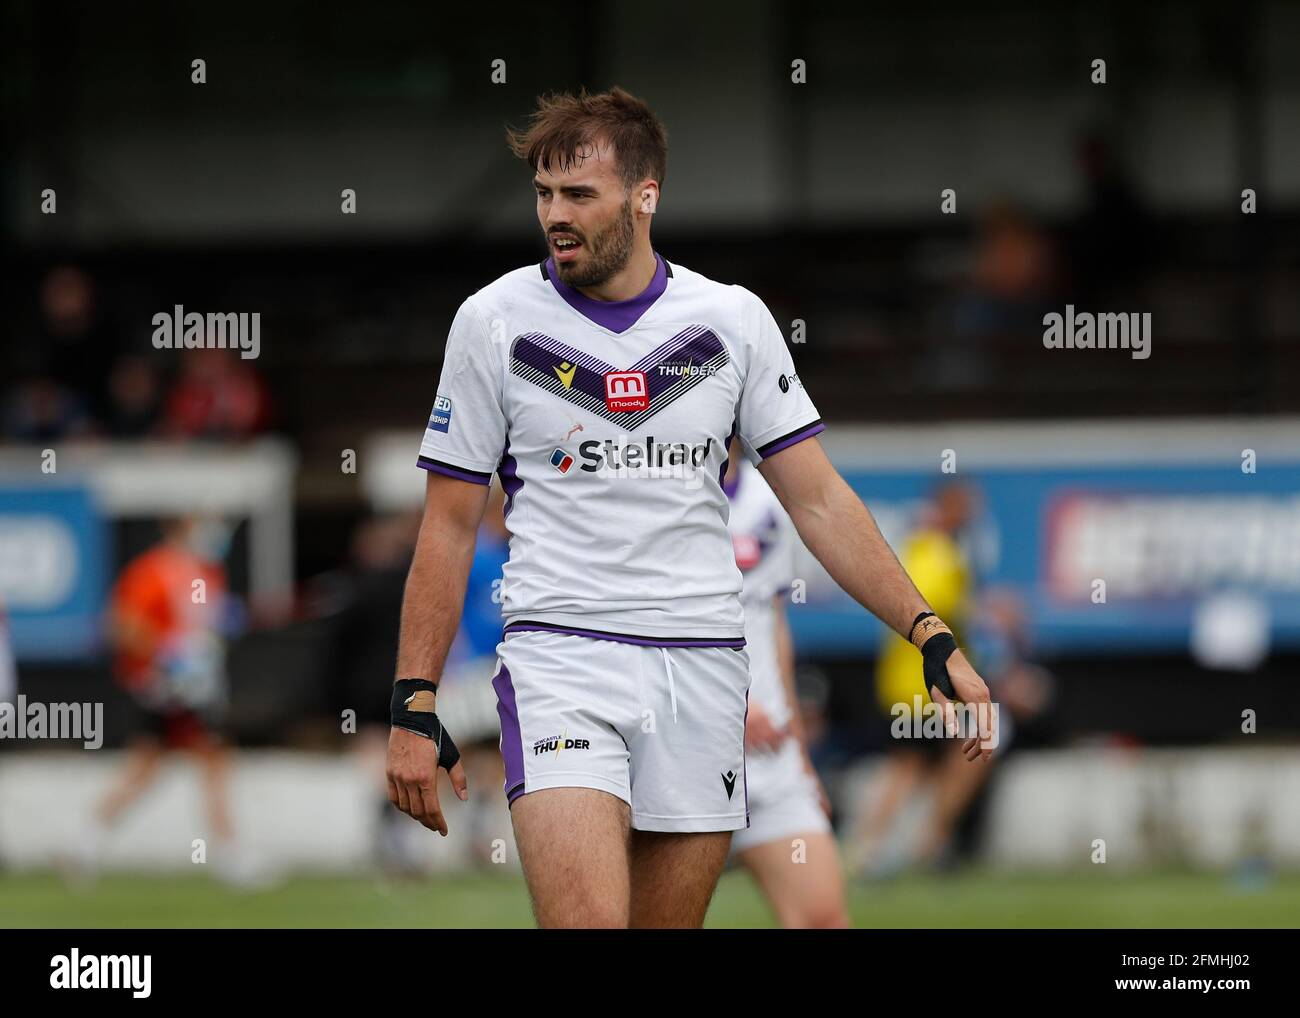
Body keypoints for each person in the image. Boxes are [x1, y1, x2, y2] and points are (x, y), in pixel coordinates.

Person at [385, 86, 993, 929]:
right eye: (544, 194)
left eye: (579, 194)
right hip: (561, 657)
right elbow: (449, 526)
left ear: (646, 196)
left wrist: (928, 632)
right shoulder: (491, 322)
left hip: (702, 667)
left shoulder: (732, 320)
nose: (555, 215)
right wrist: (413, 701)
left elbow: (819, 500)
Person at [82, 516, 260, 884]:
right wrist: (167, 650)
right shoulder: (151, 572)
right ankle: (230, 854)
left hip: (198, 687)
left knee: (150, 767)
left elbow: (207, 625)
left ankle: (86, 840)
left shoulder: (207, 573)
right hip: (167, 688)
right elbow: (122, 624)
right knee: (212, 761)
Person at [723, 440, 849, 927]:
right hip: (678, 750)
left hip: (769, 752)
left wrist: (800, 752)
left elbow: (773, 624)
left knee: (822, 919)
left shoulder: (769, 500)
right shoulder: (653, 494)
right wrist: (730, 707)